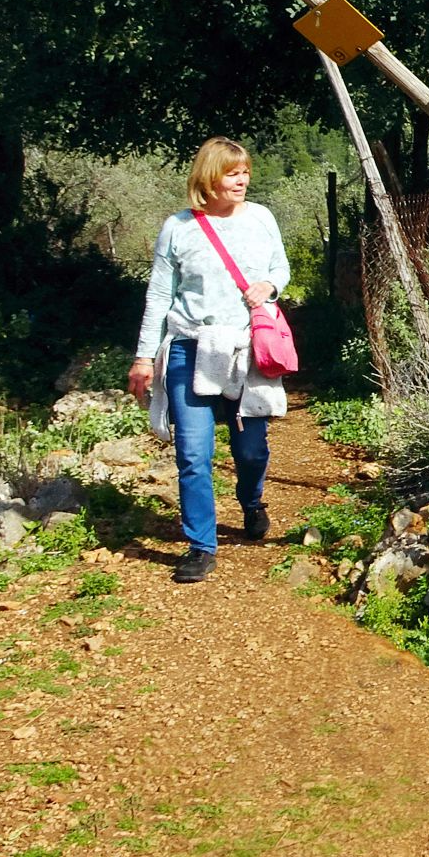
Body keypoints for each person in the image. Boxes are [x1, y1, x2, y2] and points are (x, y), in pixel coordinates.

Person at [126, 137, 291, 583]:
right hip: (189, 347)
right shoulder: (178, 228)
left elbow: (281, 268)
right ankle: (201, 545)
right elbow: (159, 295)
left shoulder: (261, 218)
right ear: (208, 178)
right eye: (232, 173)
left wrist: (269, 287)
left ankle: (252, 500)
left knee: (251, 449)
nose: (242, 180)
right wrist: (144, 357)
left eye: (245, 172)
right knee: (193, 453)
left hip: (245, 350)